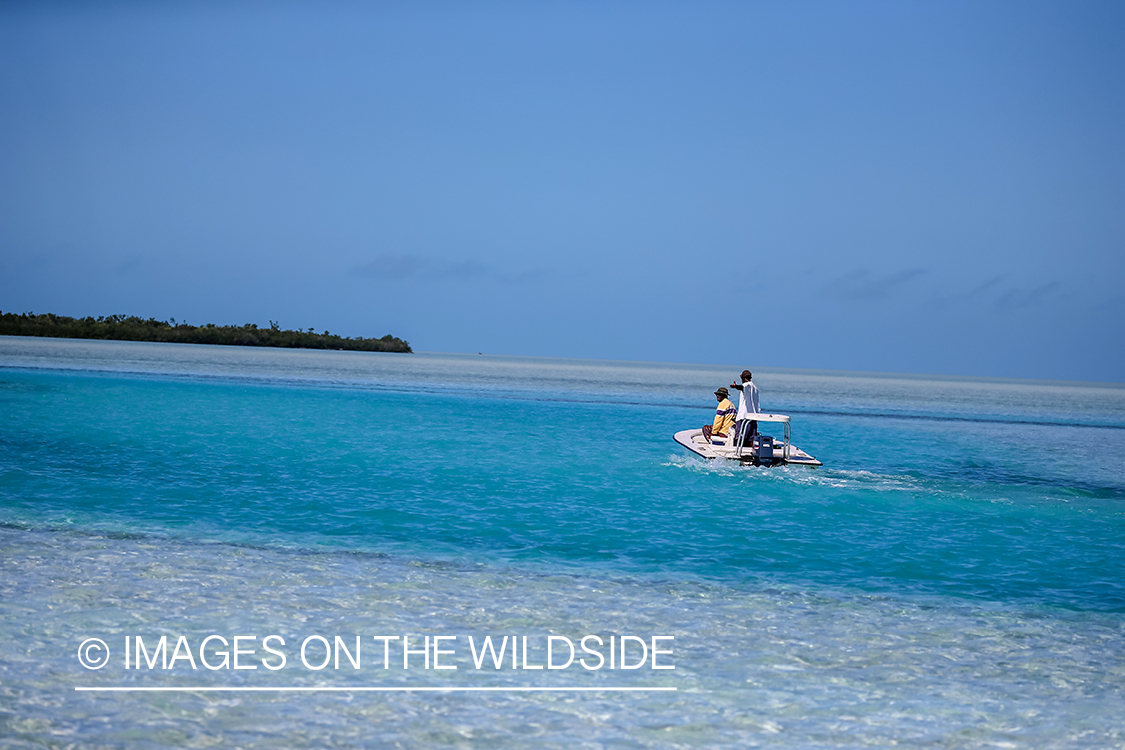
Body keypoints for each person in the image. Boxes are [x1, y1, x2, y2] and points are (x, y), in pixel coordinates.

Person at [730, 370, 759, 446]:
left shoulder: (747, 385)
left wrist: (735, 386)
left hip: (744, 417)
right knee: (751, 439)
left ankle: (736, 454)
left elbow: (742, 387)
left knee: (739, 437)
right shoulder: (756, 388)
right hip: (754, 418)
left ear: (743, 378)